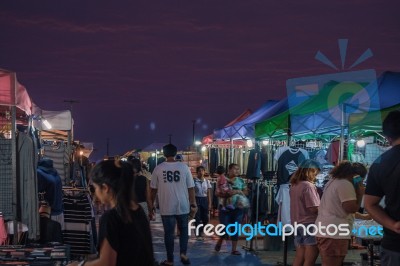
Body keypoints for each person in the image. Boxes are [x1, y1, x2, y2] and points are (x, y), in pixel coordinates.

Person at [67, 160, 154, 266]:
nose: (96, 194)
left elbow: (107, 263)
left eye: (95, 188)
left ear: (105, 188)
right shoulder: (138, 211)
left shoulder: (111, 218)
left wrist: (79, 265)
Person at [150, 144, 197, 266]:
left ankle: (170, 260)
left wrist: (152, 205)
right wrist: (193, 203)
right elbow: (191, 187)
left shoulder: (158, 168)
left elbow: (153, 190)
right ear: (176, 153)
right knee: (184, 230)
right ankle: (183, 253)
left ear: (164, 154)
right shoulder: (184, 167)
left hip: (167, 206)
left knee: (169, 233)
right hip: (183, 205)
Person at [365, 110, 400, 265]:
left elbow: (370, 204)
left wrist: (392, 224)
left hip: (395, 245)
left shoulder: (380, 163)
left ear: (387, 137)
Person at [315, 161, 365, 266]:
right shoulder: (345, 184)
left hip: (327, 230)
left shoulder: (334, 182)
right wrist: (360, 194)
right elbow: (350, 208)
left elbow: (337, 208)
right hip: (335, 232)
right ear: (356, 176)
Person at [289, 159, 321, 266]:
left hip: (296, 223)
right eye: (315, 172)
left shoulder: (294, 186)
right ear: (310, 171)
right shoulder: (308, 186)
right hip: (309, 223)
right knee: (310, 259)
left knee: (300, 255)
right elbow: (313, 208)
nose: (316, 176)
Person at [214, 163, 248, 256]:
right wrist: (227, 194)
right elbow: (217, 193)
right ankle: (221, 239)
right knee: (225, 227)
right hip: (225, 209)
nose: (237, 171)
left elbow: (246, 191)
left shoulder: (241, 181)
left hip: (238, 209)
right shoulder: (222, 179)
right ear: (229, 170)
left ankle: (234, 249)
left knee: (235, 228)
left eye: (238, 169)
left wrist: (238, 191)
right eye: (235, 169)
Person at [193, 166, 212, 241]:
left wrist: (210, 203)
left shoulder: (207, 181)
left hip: (204, 200)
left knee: (205, 218)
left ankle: (202, 230)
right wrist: (192, 202)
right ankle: (198, 234)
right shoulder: (194, 181)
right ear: (197, 172)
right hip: (197, 199)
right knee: (197, 218)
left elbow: (209, 193)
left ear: (204, 172)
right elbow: (192, 192)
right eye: (199, 171)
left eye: (202, 171)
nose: (201, 172)